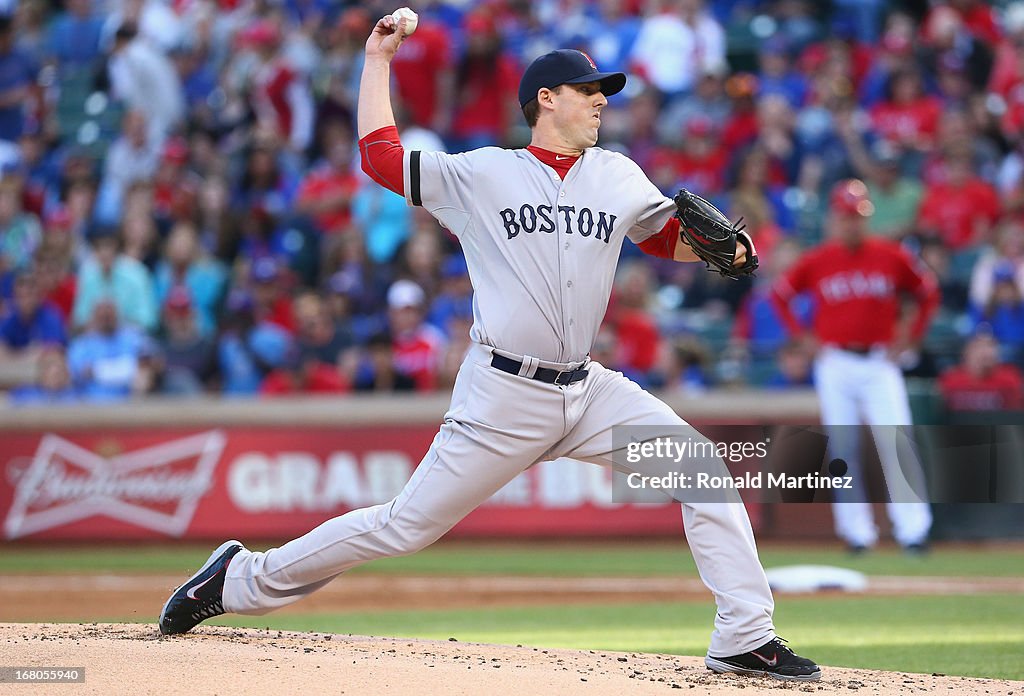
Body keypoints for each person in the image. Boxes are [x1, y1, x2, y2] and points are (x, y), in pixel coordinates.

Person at [159, 16, 821, 683]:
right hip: (503, 393)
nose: (601, 100)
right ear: (545, 99)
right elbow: (380, 159)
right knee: (403, 527)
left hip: (588, 391)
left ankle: (745, 635)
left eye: (604, 91)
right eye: (587, 90)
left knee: (700, 470)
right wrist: (379, 59)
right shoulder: (483, 174)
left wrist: (726, 251)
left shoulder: (617, 174)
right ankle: (237, 579)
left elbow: (661, 238)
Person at [771, 179, 940, 555]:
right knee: (844, 446)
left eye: (859, 216)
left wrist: (911, 335)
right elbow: (780, 295)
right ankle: (857, 533)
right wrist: (803, 337)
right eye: (847, 216)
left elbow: (928, 291)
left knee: (897, 441)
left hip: (880, 360)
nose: (852, 223)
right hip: (836, 361)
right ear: (835, 217)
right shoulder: (818, 260)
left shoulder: (891, 255)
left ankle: (913, 531)